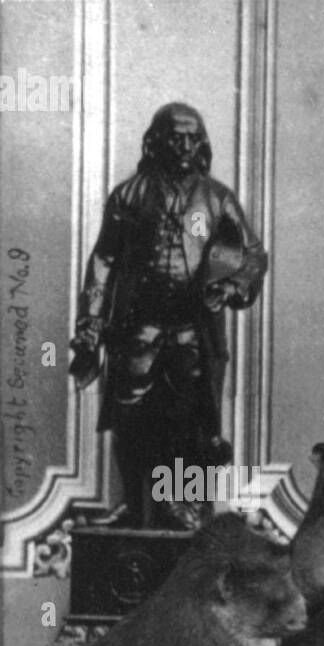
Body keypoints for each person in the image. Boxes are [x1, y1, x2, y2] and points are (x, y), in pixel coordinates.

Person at [70, 103, 268, 528]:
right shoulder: (130, 195)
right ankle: (138, 508)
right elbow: (103, 259)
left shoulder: (217, 198)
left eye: (191, 137)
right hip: (138, 328)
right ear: (155, 141)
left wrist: (232, 286)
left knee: (188, 420)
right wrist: (90, 324)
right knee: (130, 416)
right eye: (174, 136)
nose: (182, 145)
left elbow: (252, 254)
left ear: (201, 143)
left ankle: (183, 506)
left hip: (192, 331)